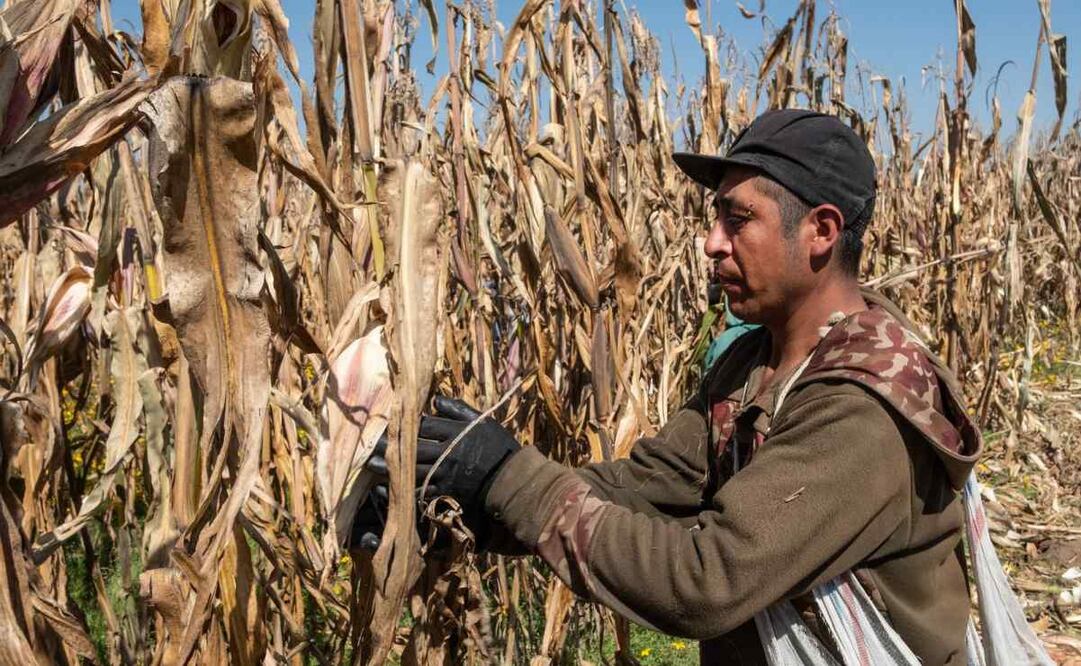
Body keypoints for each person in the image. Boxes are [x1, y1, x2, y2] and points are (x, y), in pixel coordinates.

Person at [356, 109, 982, 665]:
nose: (712, 244)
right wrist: (467, 503)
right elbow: (647, 488)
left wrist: (510, 478)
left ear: (820, 231)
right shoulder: (753, 363)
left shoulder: (861, 409)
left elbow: (706, 583)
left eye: (739, 221)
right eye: (716, 220)